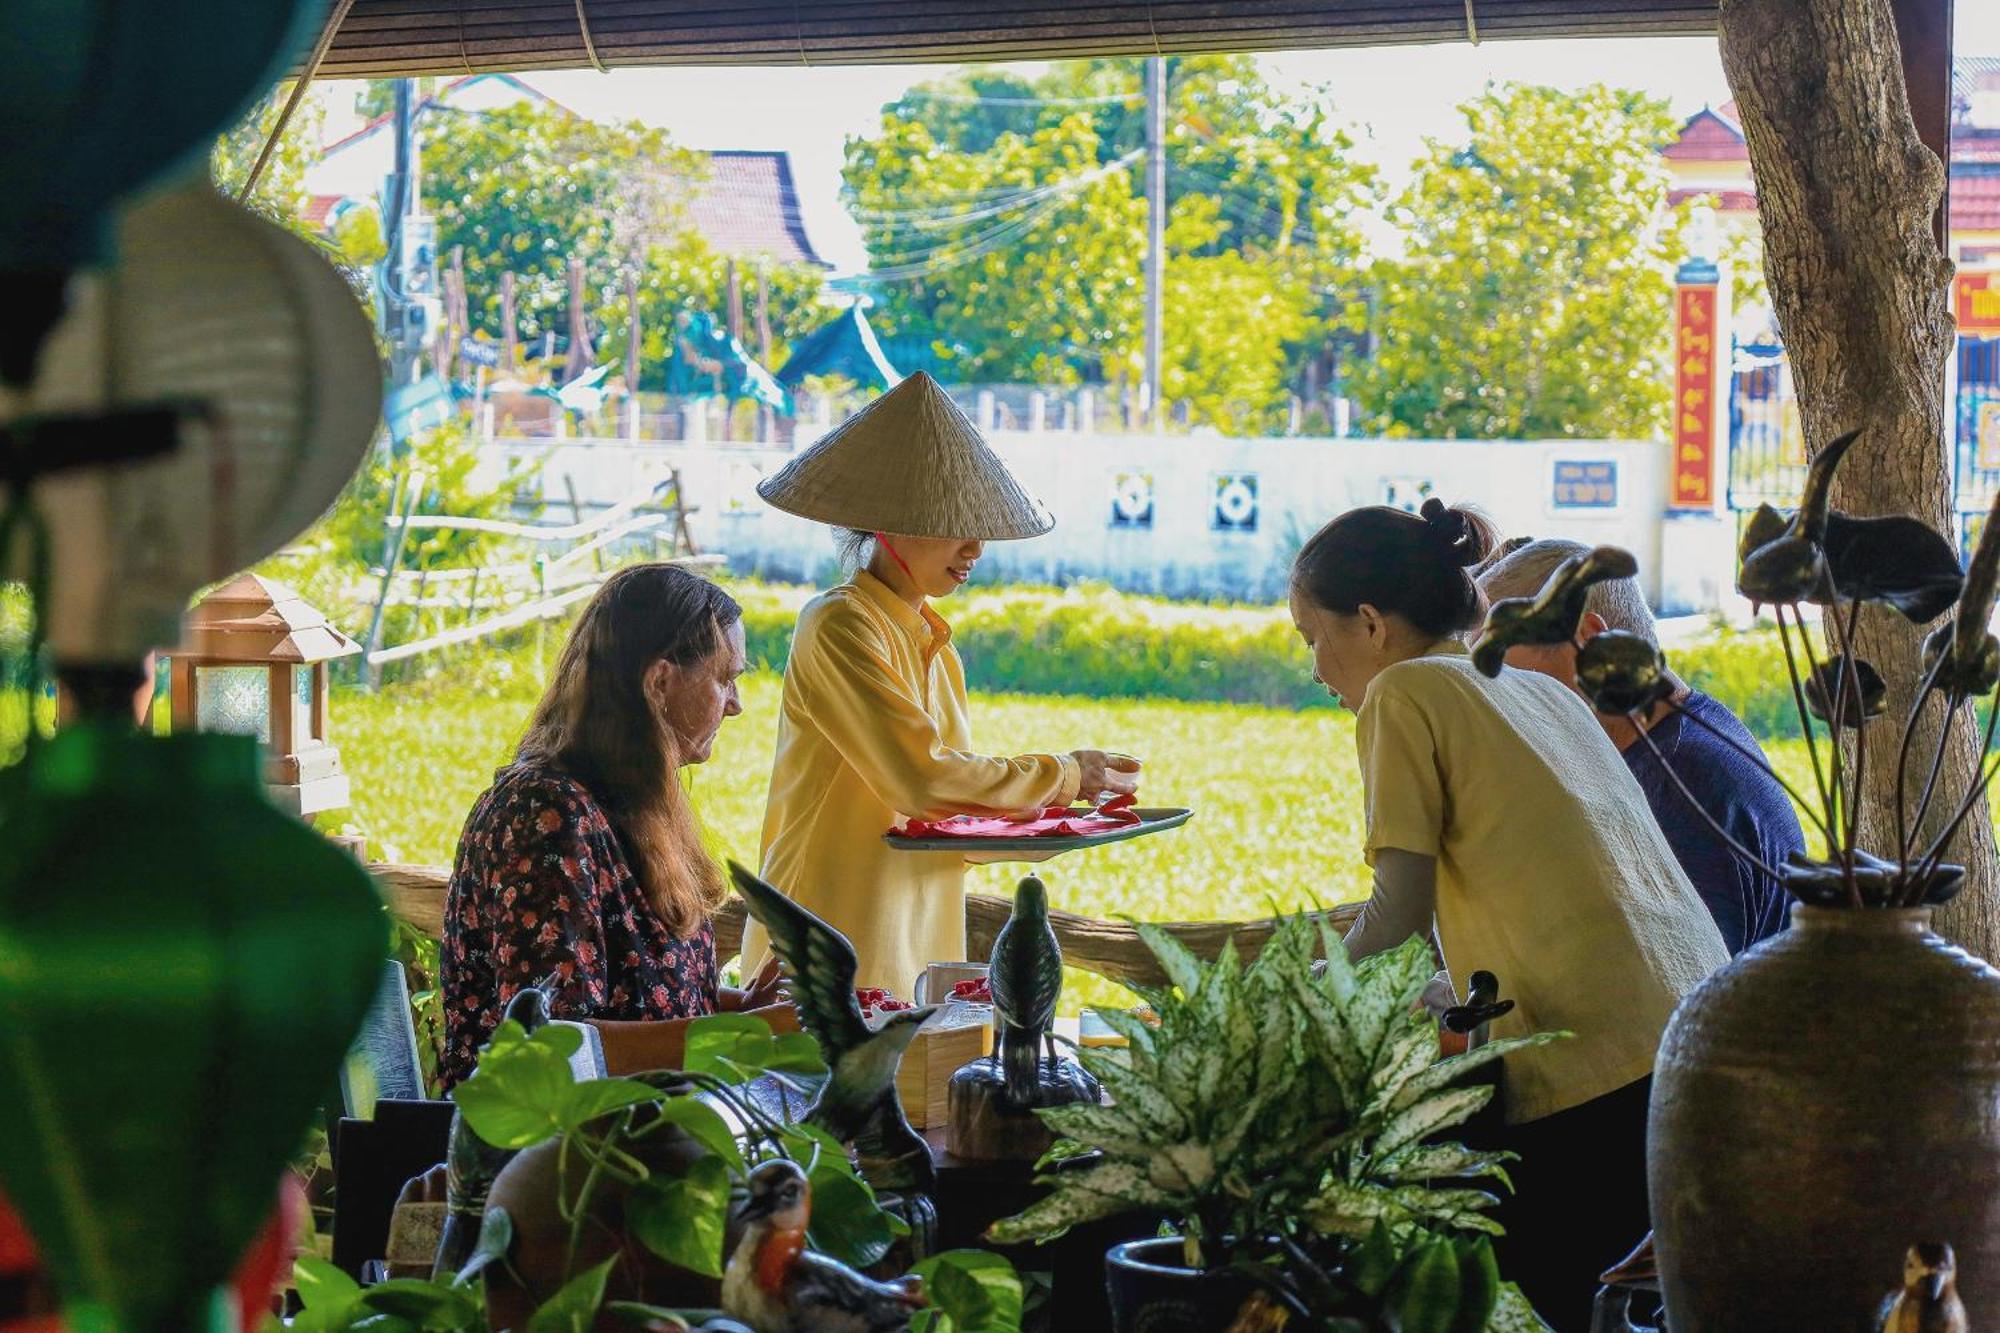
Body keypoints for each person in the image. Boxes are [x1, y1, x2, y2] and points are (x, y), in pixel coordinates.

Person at [1289, 499, 1728, 1328]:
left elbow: (1399, 911)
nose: (1315, 667)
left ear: (1372, 623)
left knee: (1557, 1286)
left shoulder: (1403, 696)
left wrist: (1299, 996)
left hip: (1589, 1065)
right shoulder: (1537, 690)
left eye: (1313, 636)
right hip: (1693, 1035)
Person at [746, 371, 1141, 995]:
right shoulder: (839, 624)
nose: (975, 547)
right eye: (956, 523)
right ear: (891, 523)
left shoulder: (936, 647)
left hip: (918, 935)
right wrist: (1061, 776)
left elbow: (951, 815)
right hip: (827, 929)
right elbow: (922, 782)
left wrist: (1065, 815)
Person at [438, 564, 784, 1089]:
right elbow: (553, 1047)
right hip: (533, 1159)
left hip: (629, 1137)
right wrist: (744, 1032)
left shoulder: (627, 800)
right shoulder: (546, 816)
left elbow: (638, 998)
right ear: (661, 681)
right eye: (725, 679)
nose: (734, 706)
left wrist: (739, 1005)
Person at [1477, 538, 1804, 955]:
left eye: (1505, 677)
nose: (1497, 708)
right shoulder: (1681, 733)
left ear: (1588, 640)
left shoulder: (1677, 783)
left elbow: (1683, 988)